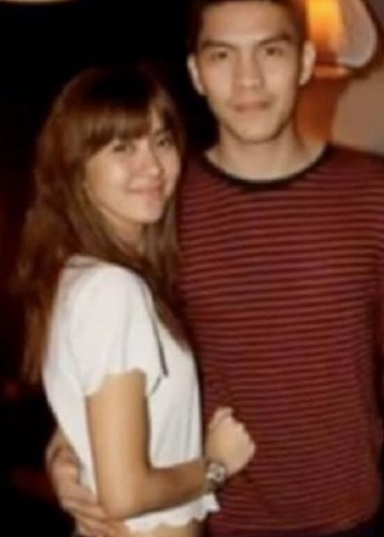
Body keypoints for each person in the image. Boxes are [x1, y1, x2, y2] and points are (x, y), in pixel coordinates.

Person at [46, 1, 384, 537]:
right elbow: (108, 350)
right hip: (214, 518)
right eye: (222, 55)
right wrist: (65, 449)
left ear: (304, 61)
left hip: (350, 517)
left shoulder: (378, 195)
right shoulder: (160, 206)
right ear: (197, 72)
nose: (248, 80)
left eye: (270, 51)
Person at [16, 63, 255, 537]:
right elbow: (125, 494)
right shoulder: (113, 290)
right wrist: (215, 465)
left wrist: (64, 449)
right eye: (122, 147)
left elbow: (94, 407)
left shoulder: (81, 276)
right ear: (77, 169)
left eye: (161, 141)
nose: (152, 166)